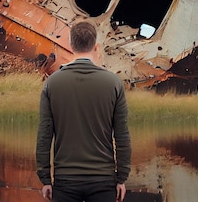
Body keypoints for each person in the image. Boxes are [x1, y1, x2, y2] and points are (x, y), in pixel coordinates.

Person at [36, 21, 131, 202]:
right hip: (103, 180)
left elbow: (44, 135)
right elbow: (122, 135)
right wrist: (121, 178)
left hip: (65, 180)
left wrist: (46, 179)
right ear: (96, 47)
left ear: (70, 45)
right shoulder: (113, 83)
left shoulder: (52, 83)